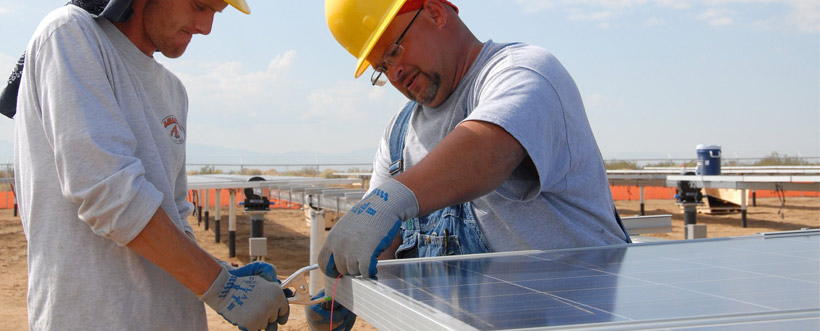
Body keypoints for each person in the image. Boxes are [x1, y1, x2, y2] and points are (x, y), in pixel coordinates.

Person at [311, 0, 632, 328]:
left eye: (393, 52)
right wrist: (341, 288)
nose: (395, 73)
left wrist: (392, 200)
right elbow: (378, 239)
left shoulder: (524, 71)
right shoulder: (398, 135)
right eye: (381, 68)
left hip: (578, 319)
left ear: (435, 13)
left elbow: (490, 150)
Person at [13, 0, 290, 330]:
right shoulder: (70, 34)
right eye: (200, 6)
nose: (206, 27)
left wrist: (221, 272)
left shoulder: (173, 91)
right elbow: (111, 197)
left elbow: (172, 216)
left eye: (216, 13)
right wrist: (220, 285)